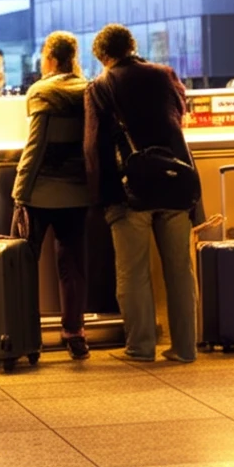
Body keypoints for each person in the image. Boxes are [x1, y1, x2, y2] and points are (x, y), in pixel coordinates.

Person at [83, 23, 199, 364]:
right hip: (176, 181)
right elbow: (179, 111)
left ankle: (141, 346)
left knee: (132, 271)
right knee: (179, 270)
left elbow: (94, 146)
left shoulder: (100, 86)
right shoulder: (165, 74)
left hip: (129, 190)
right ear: (131, 47)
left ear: (103, 55)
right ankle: (185, 347)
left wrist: (100, 196)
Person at [12, 32, 91, 360]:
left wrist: (20, 192)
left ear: (51, 58)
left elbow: (36, 145)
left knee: (22, 264)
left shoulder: (42, 91)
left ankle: (26, 337)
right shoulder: (89, 91)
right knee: (72, 266)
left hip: (39, 193)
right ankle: (74, 335)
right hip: (78, 194)